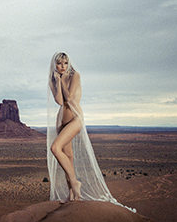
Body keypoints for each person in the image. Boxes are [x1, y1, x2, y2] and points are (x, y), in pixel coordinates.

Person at [47, 52, 135, 211]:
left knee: (55, 148)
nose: (62, 67)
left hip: (75, 119)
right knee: (68, 157)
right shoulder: (53, 80)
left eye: (65, 63)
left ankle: (75, 182)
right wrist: (58, 81)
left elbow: (69, 98)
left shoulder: (75, 76)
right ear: (55, 65)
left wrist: (63, 79)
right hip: (61, 121)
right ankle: (72, 194)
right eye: (59, 64)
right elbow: (59, 101)